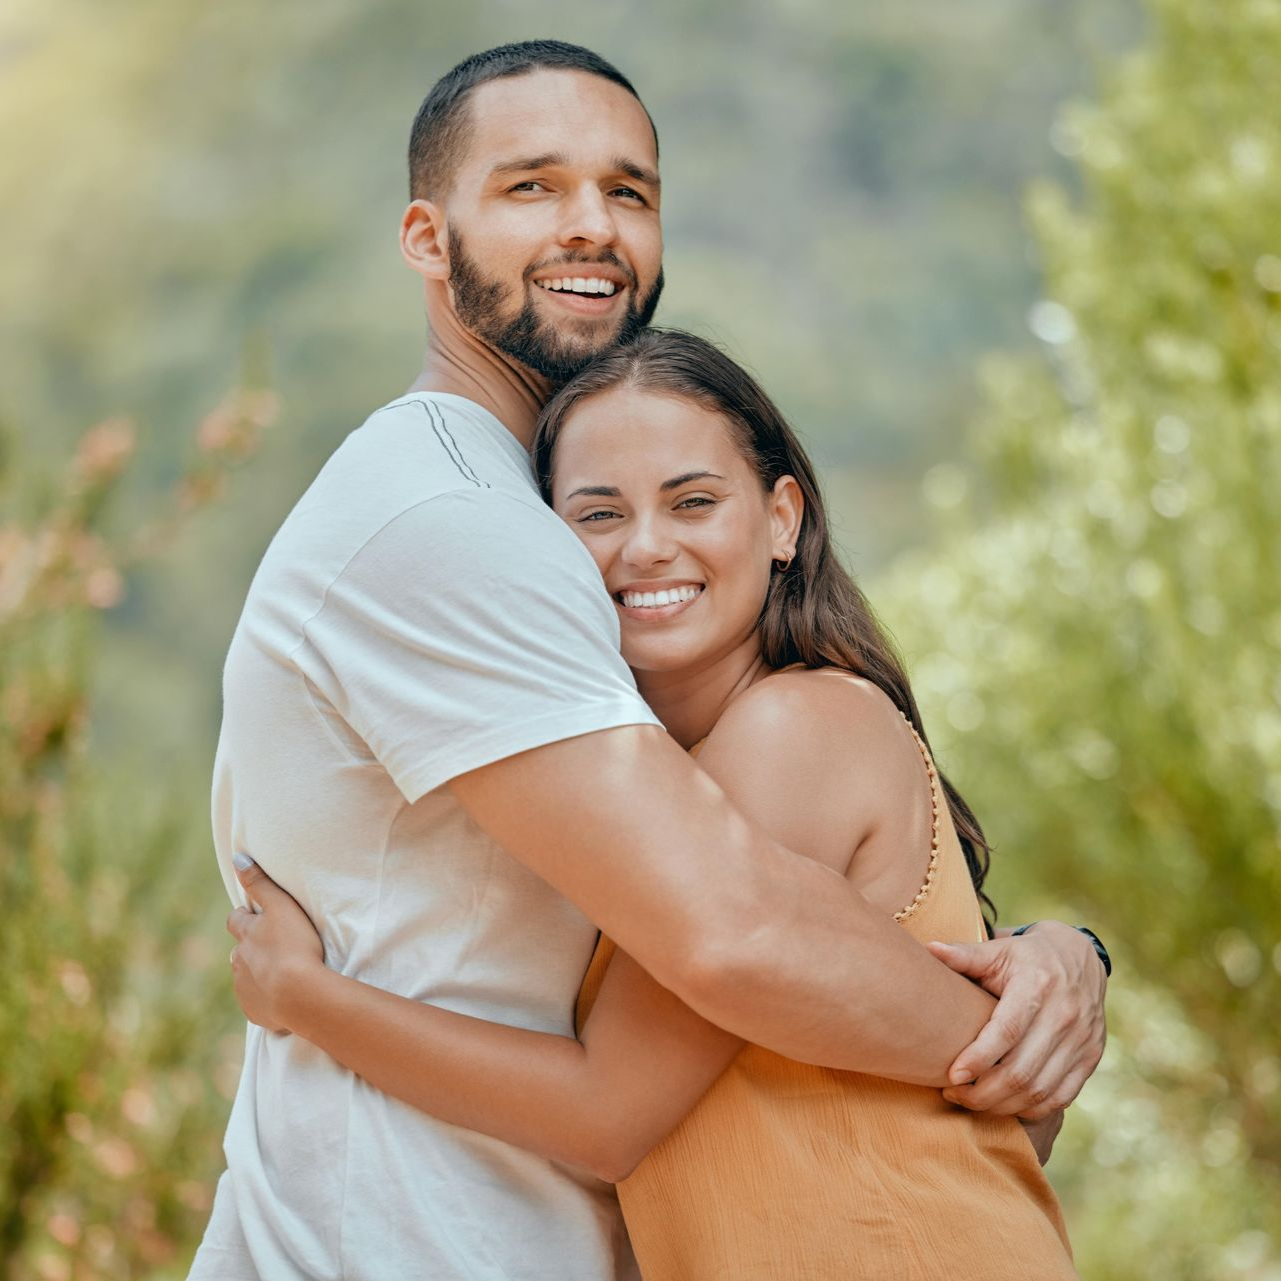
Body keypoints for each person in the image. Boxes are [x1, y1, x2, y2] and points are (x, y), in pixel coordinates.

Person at [193, 40, 1106, 1281]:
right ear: (424, 238)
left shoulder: (549, 562)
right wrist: (1021, 1029)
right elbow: (733, 932)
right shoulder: (451, 521)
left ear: (781, 519)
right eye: (531, 188)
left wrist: (1059, 971)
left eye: (629, 192)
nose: (592, 227)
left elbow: (789, 912)